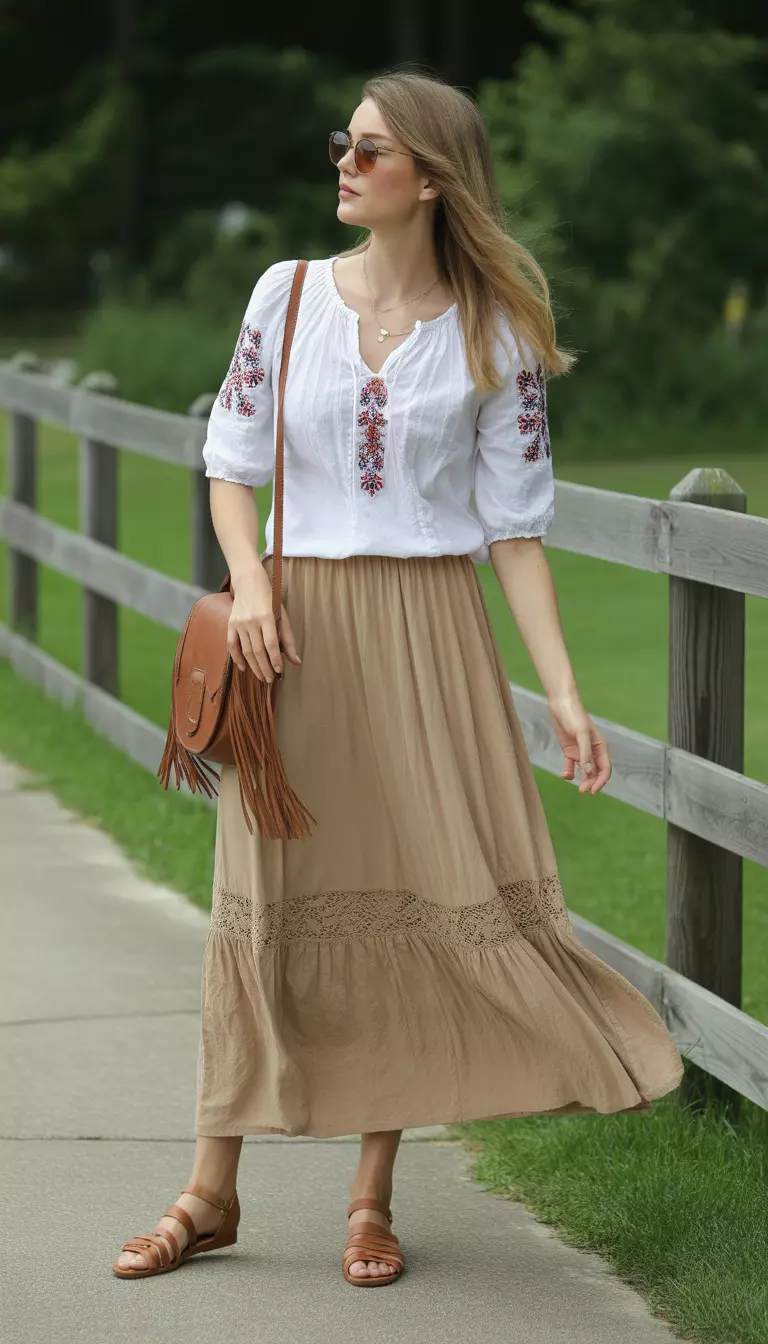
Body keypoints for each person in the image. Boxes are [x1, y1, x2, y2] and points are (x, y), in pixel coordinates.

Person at [113, 69, 684, 1286]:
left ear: (430, 175)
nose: (343, 163)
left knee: (422, 904)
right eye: (342, 144)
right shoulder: (287, 294)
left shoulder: (496, 335)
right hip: (294, 628)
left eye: (368, 150)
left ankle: (372, 1201)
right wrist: (254, 585)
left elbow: (515, 531)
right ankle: (208, 1190)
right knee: (260, 899)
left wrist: (568, 696)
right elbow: (227, 461)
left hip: (431, 637)